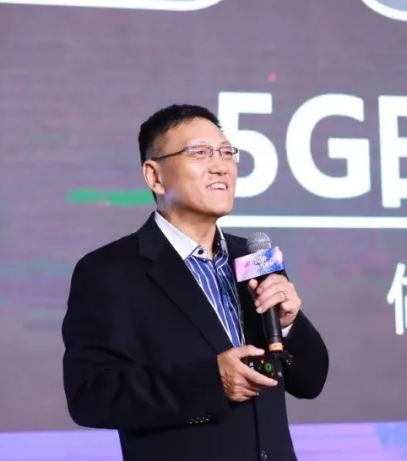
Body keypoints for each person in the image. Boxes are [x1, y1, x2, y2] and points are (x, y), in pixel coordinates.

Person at [61, 104, 329, 461]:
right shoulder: (109, 272)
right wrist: (211, 383)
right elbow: (92, 396)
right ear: (155, 176)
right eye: (200, 153)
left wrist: (289, 324)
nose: (220, 166)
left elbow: (310, 382)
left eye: (226, 152)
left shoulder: (253, 259)